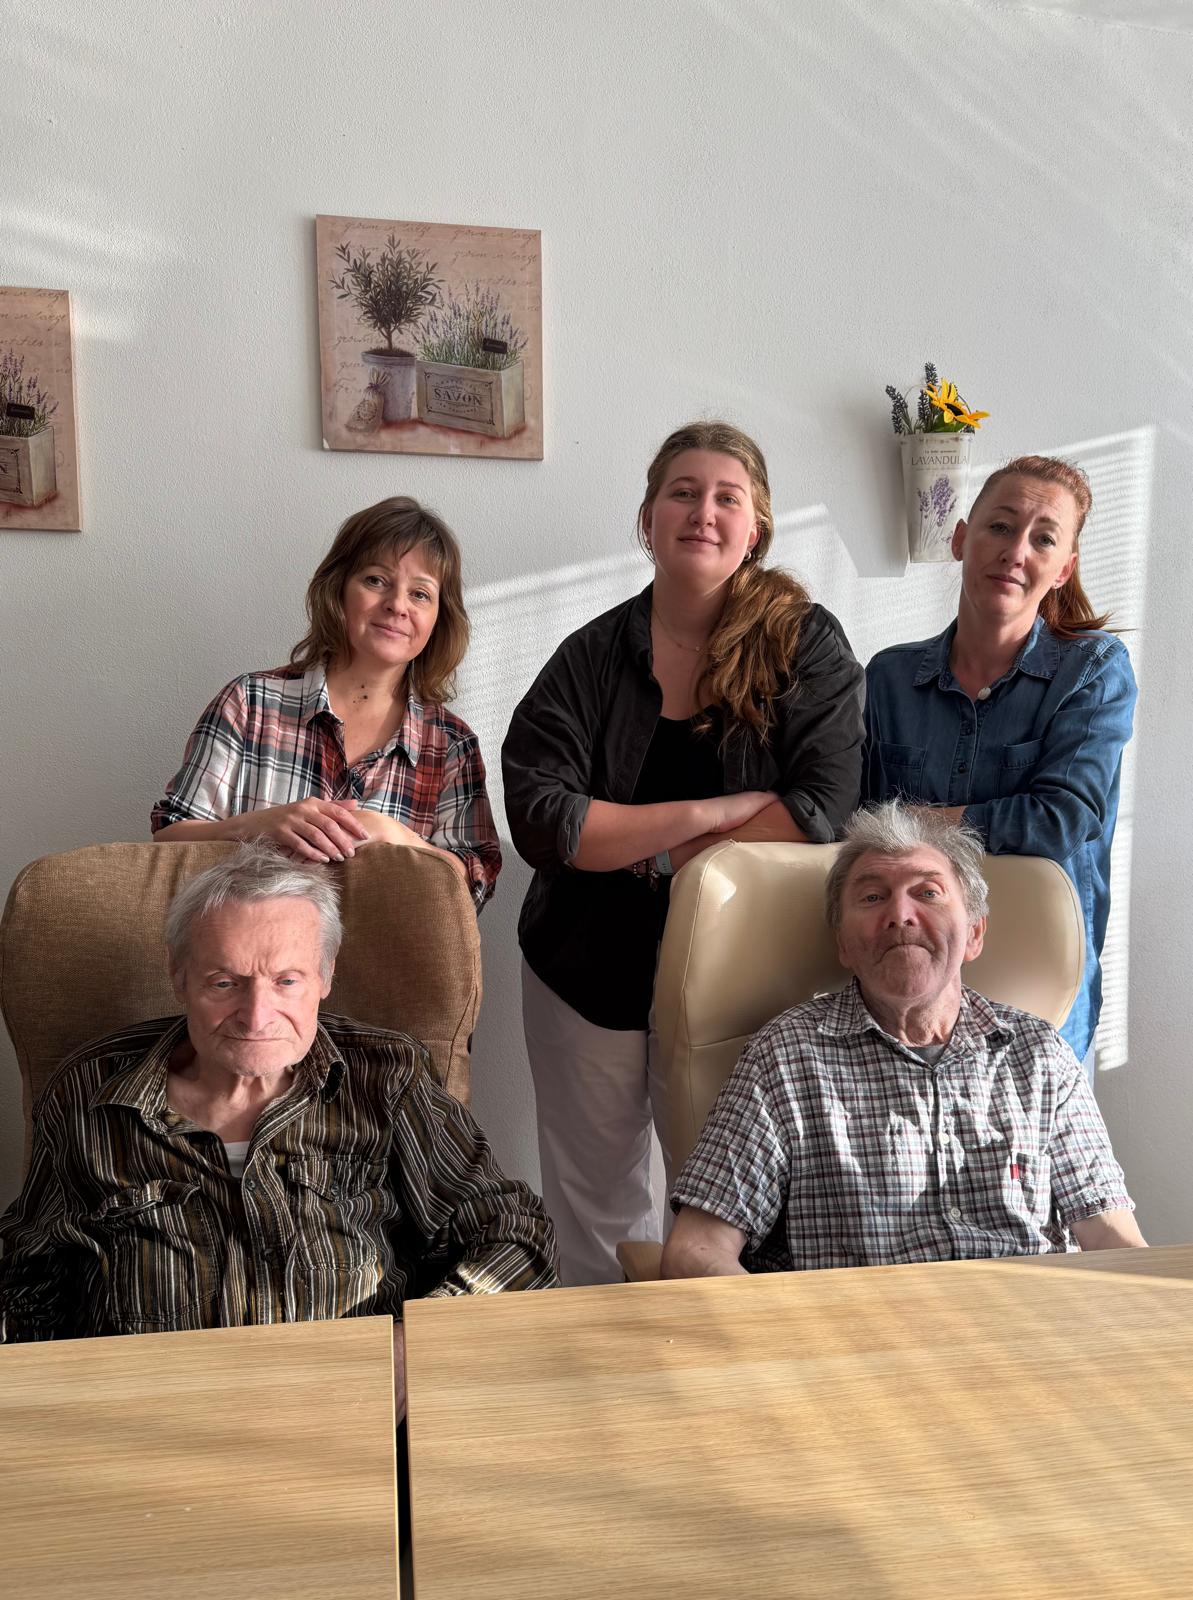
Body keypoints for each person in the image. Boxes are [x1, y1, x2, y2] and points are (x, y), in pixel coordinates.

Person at [0, 844, 558, 1425]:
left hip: (353, 1420)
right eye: (224, 983)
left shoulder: (385, 1079)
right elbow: (27, 1275)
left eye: (286, 980)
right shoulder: (90, 1092)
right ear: (178, 976)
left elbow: (516, 1234)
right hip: (149, 1426)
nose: (257, 1015)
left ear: (325, 975)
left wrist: (413, 1351)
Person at [502, 421, 865, 1285]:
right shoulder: (590, 656)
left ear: (755, 528)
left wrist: (659, 854)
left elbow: (822, 810)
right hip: (584, 969)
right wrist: (707, 811)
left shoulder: (804, 643)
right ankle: (606, 1363)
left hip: (741, 977)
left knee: (725, 1218)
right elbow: (546, 822)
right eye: (682, 493)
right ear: (647, 518)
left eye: (725, 498)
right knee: (595, 1214)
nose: (703, 512)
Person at [662, 803, 1145, 1279]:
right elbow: (695, 1250)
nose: (900, 914)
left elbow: (1113, 1238)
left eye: (928, 892)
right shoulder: (785, 1056)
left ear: (974, 934)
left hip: (1028, 1321)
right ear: (843, 944)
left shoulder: (1040, 1055)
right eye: (873, 897)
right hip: (859, 1326)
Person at [863, 456, 1135, 1065]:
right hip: (905, 982)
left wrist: (918, 822)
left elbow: (1060, 820)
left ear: (1064, 569)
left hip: (1040, 992)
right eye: (1000, 527)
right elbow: (857, 829)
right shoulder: (888, 678)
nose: (1015, 552)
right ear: (961, 538)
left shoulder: (1093, 670)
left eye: (1043, 539)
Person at [152, 496, 500, 910]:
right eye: (376, 580)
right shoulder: (248, 703)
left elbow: (472, 889)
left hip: (385, 949)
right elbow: (166, 845)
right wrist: (259, 826)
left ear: (440, 618)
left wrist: (396, 836)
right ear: (338, 589)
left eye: (420, 594)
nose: (397, 605)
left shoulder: (451, 745)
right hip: (249, 947)